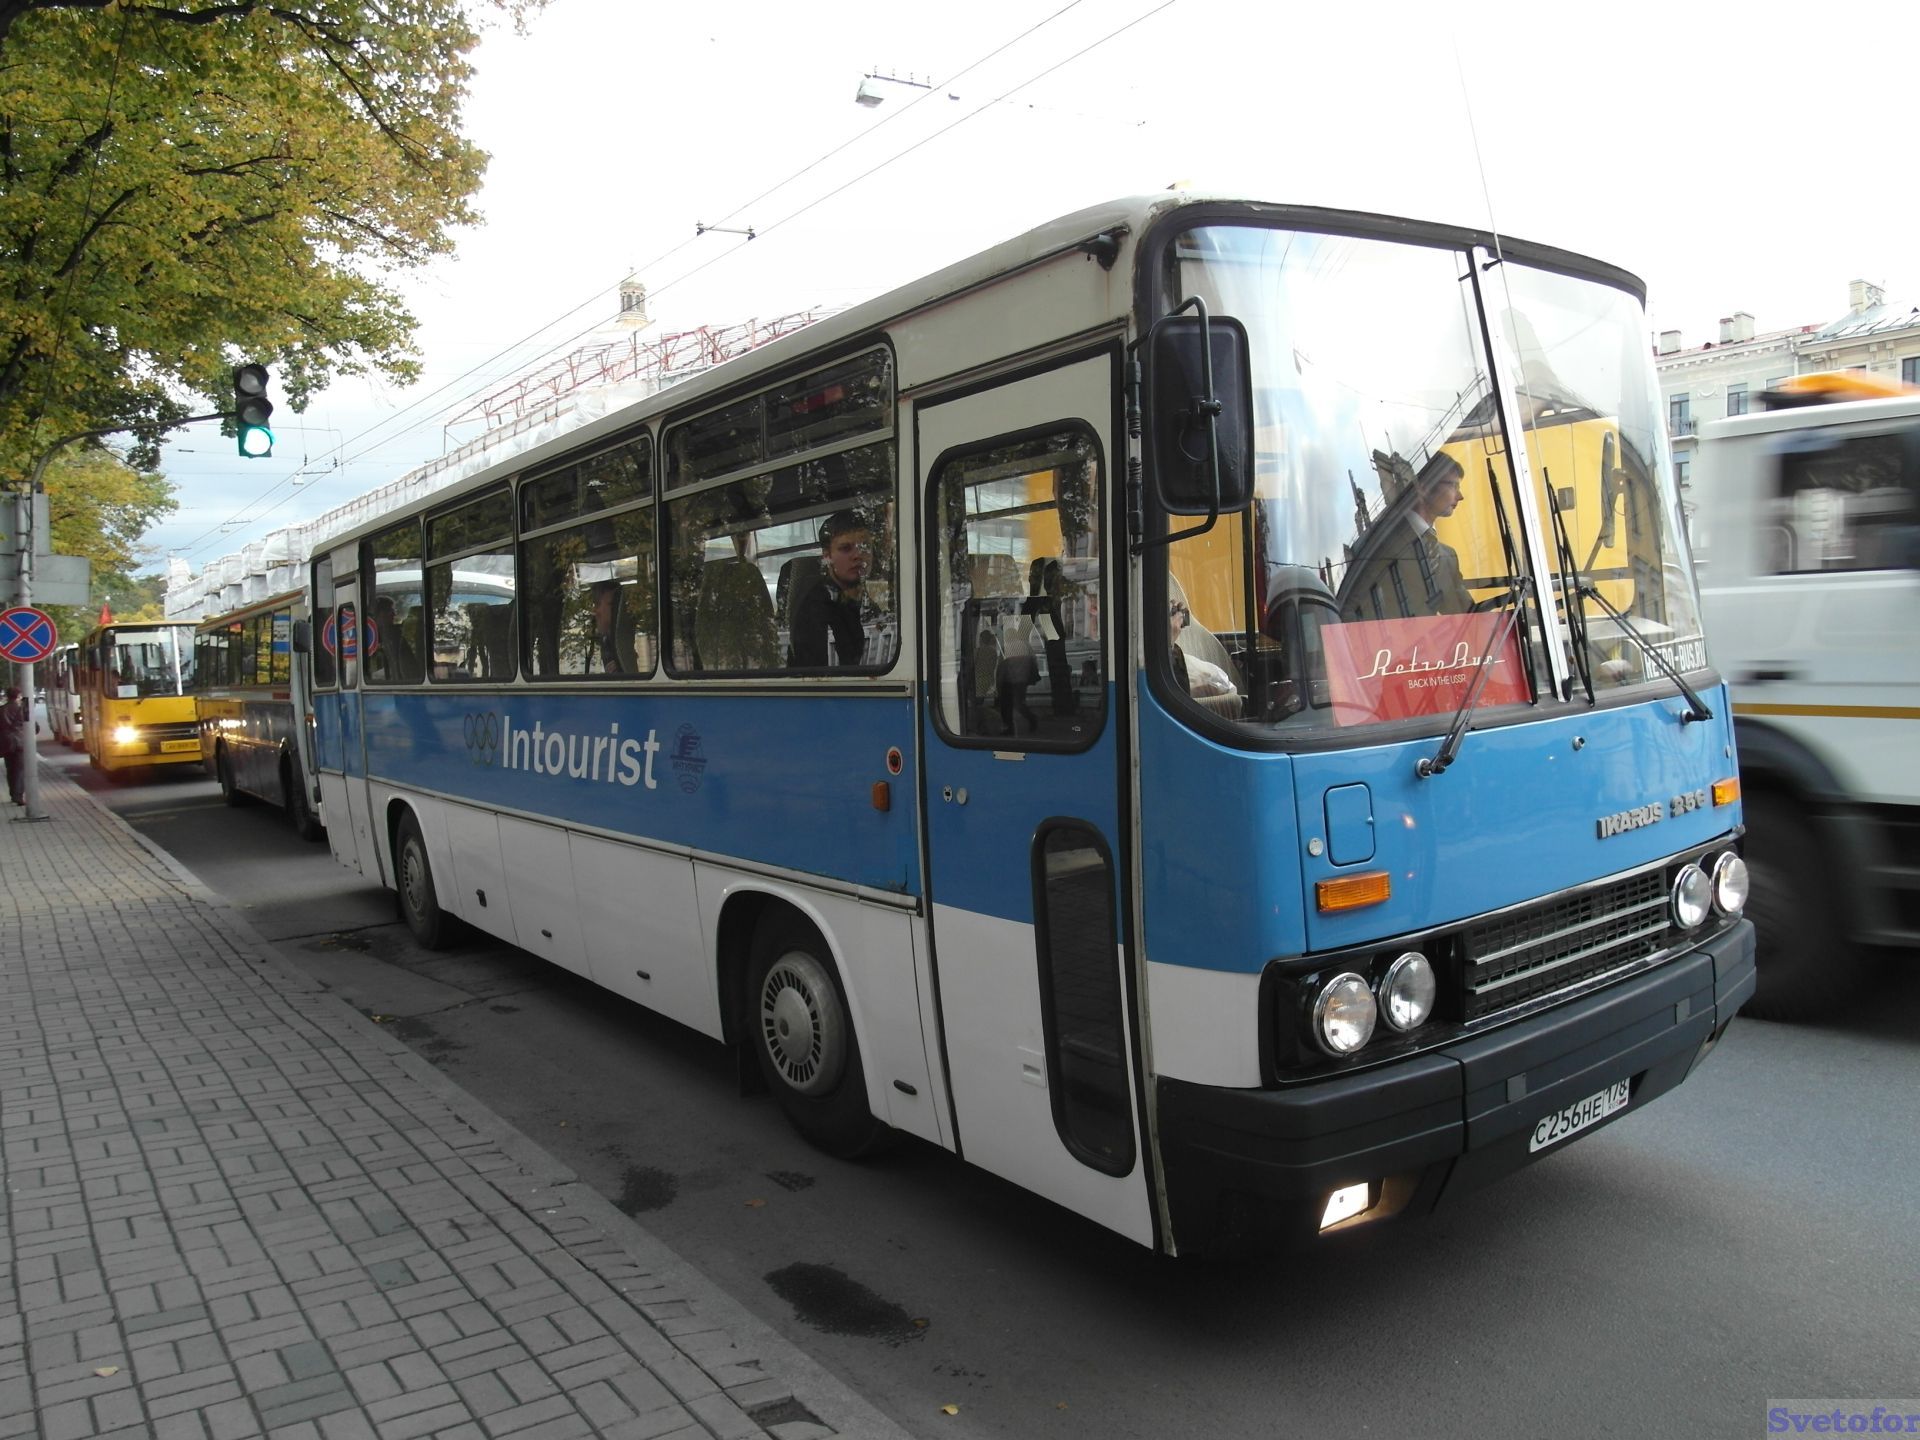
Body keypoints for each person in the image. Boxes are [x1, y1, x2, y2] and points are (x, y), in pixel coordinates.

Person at [1339, 452, 1474, 620]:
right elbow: (1348, 610)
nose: (1460, 496)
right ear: (1423, 488)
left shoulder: (1448, 557)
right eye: (1453, 486)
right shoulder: (1379, 543)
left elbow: (1469, 616)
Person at [790, 511, 871, 667]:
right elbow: (817, 675)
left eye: (865, 546)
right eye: (846, 548)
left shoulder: (874, 599)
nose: (858, 555)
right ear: (827, 556)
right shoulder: (814, 606)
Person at [0, 686, 29, 806]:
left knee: (10, 769)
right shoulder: (21, 709)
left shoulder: (1, 709)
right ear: (18, 696)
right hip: (18, 742)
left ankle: (13, 794)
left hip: (5, 743)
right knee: (19, 770)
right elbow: (32, 725)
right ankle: (18, 796)